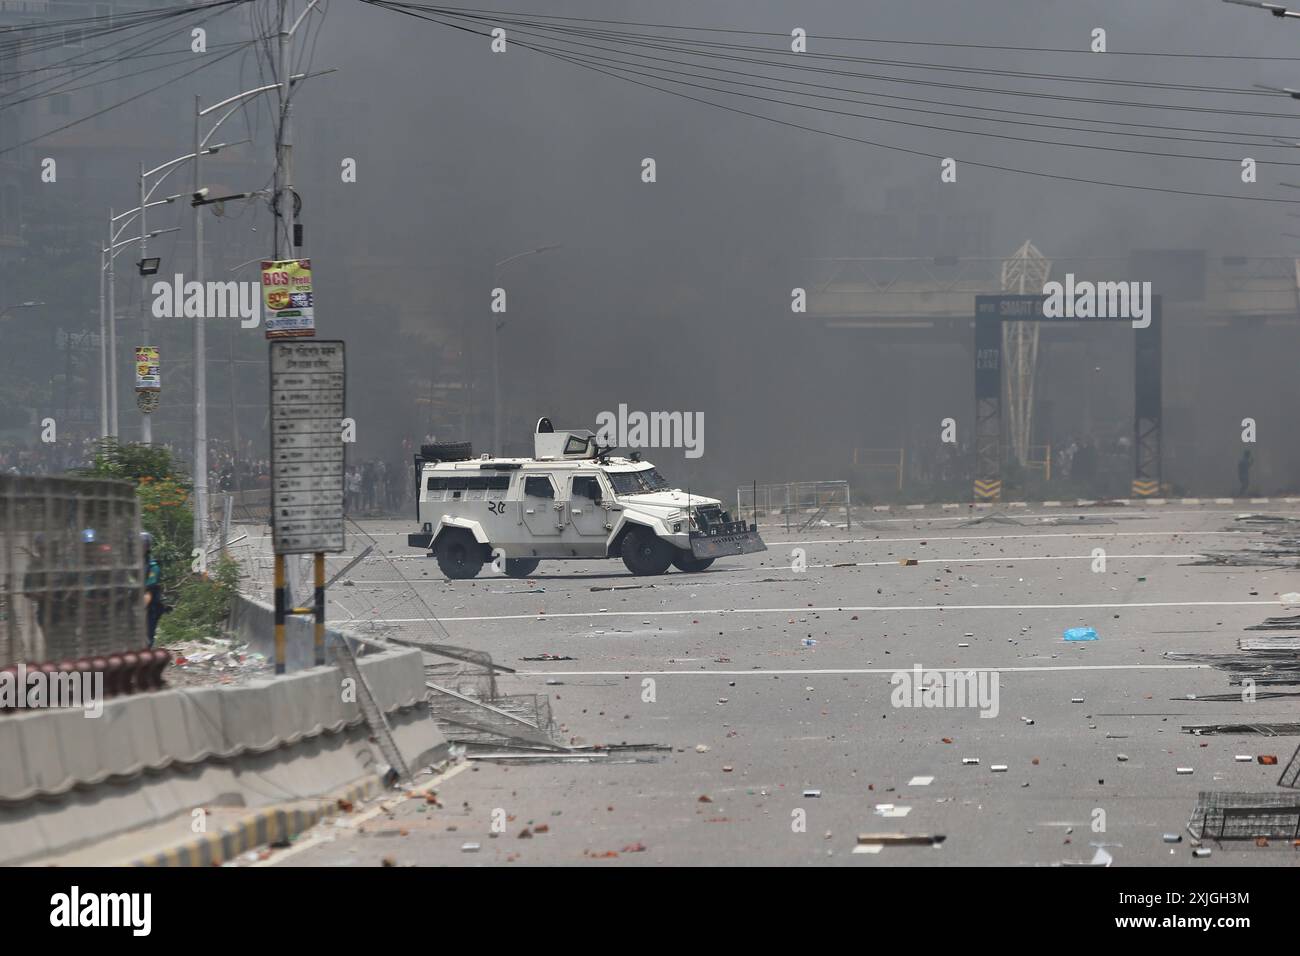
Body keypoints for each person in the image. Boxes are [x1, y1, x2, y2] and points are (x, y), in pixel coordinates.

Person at [142, 532, 164, 647]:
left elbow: (148, 592)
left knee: (147, 638)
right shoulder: (132, 565)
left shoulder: (152, 566)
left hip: (149, 608)